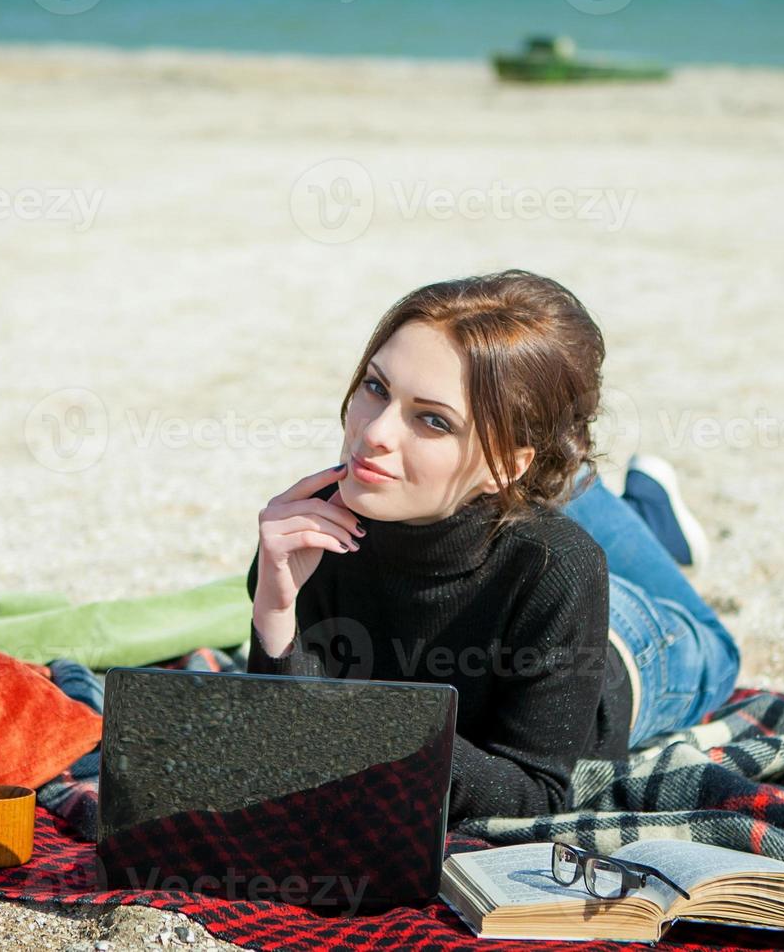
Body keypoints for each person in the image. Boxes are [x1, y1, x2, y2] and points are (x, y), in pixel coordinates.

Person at [244, 269, 740, 824]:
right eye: (377, 387)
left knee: (720, 649)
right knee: (540, 485)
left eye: (432, 420)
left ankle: (617, 499)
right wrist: (274, 611)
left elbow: (535, 795)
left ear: (503, 462)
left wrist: (371, 723)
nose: (375, 433)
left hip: (635, 647)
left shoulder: (561, 566)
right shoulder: (316, 528)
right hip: (498, 498)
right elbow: (285, 742)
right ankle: (588, 489)